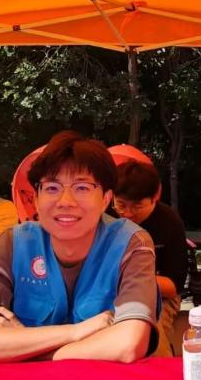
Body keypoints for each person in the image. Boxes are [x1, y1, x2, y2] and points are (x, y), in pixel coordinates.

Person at [0, 131, 158, 362]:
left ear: (105, 199)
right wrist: (75, 332)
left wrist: (26, 348)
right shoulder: (13, 244)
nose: (66, 202)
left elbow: (129, 344)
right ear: (36, 198)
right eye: (52, 188)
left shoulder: (130, 243)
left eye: (82, 188)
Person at [114, 160, 188, 357]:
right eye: (121, 205)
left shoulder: (169, 223)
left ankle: (162, 372)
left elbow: (173, 287)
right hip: (111, 293)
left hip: (159, 297)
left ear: (156, 195)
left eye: (137, 206)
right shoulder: (105, 217)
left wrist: (132, 278)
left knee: (148, 332)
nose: (127, 214)